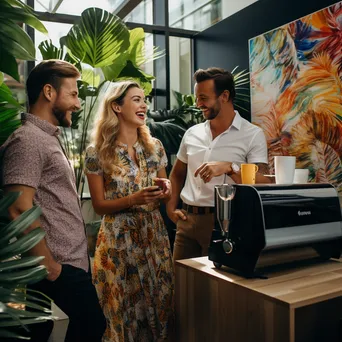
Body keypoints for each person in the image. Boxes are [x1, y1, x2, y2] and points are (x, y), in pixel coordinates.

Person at [0, 60, 106, 342]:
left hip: (63, 265)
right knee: (92, 327)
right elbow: (17, 206)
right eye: (73, 94)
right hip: (58, 267)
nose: (79, 104)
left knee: (45, 332)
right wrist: (50, 267)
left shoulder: (44, 138)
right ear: (49, 92)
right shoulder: (28, 140)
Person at [84, 80, 174, 342]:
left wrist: (166, 190)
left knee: (159, 306)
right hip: (118, 242)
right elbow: (99, 206)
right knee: (121, 312)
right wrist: (133, 199)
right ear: (116, 107)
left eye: (144, 99)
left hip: (154, 237)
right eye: (136, 99)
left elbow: (165, 185)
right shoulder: (97, 152)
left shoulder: (154, 146)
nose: (144, 104)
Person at [167, 67, 270, 261]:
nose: (198, 104)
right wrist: (171, 208)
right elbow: (177, 173)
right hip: (186, 222)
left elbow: (263, 182)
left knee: (214, 289)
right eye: (197, 98)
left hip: (224, 224)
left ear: (224, 96)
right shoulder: (192, 133)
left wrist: (230, 167)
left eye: (203, 98)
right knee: (181, 286)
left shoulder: (252, 135)